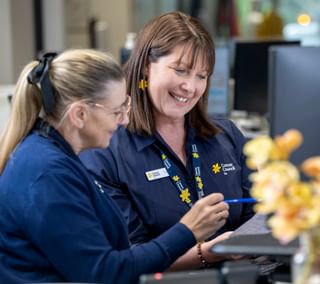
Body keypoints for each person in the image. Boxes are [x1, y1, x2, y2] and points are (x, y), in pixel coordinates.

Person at [0, 49, 229, 283]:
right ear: (79, 114)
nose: (125, 120)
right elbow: (106, 272)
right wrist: (187, 231)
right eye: (117, 111)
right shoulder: (48, 174)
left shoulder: (51, 156)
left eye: (126, 107)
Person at [80, 11, 254, 270]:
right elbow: (127, 259)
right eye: (181, 70)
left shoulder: (226, 134)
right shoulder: (106, 150)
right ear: (147, 67)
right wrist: (210, 252)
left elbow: (260, 215)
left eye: (201, 75)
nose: (190, 86)